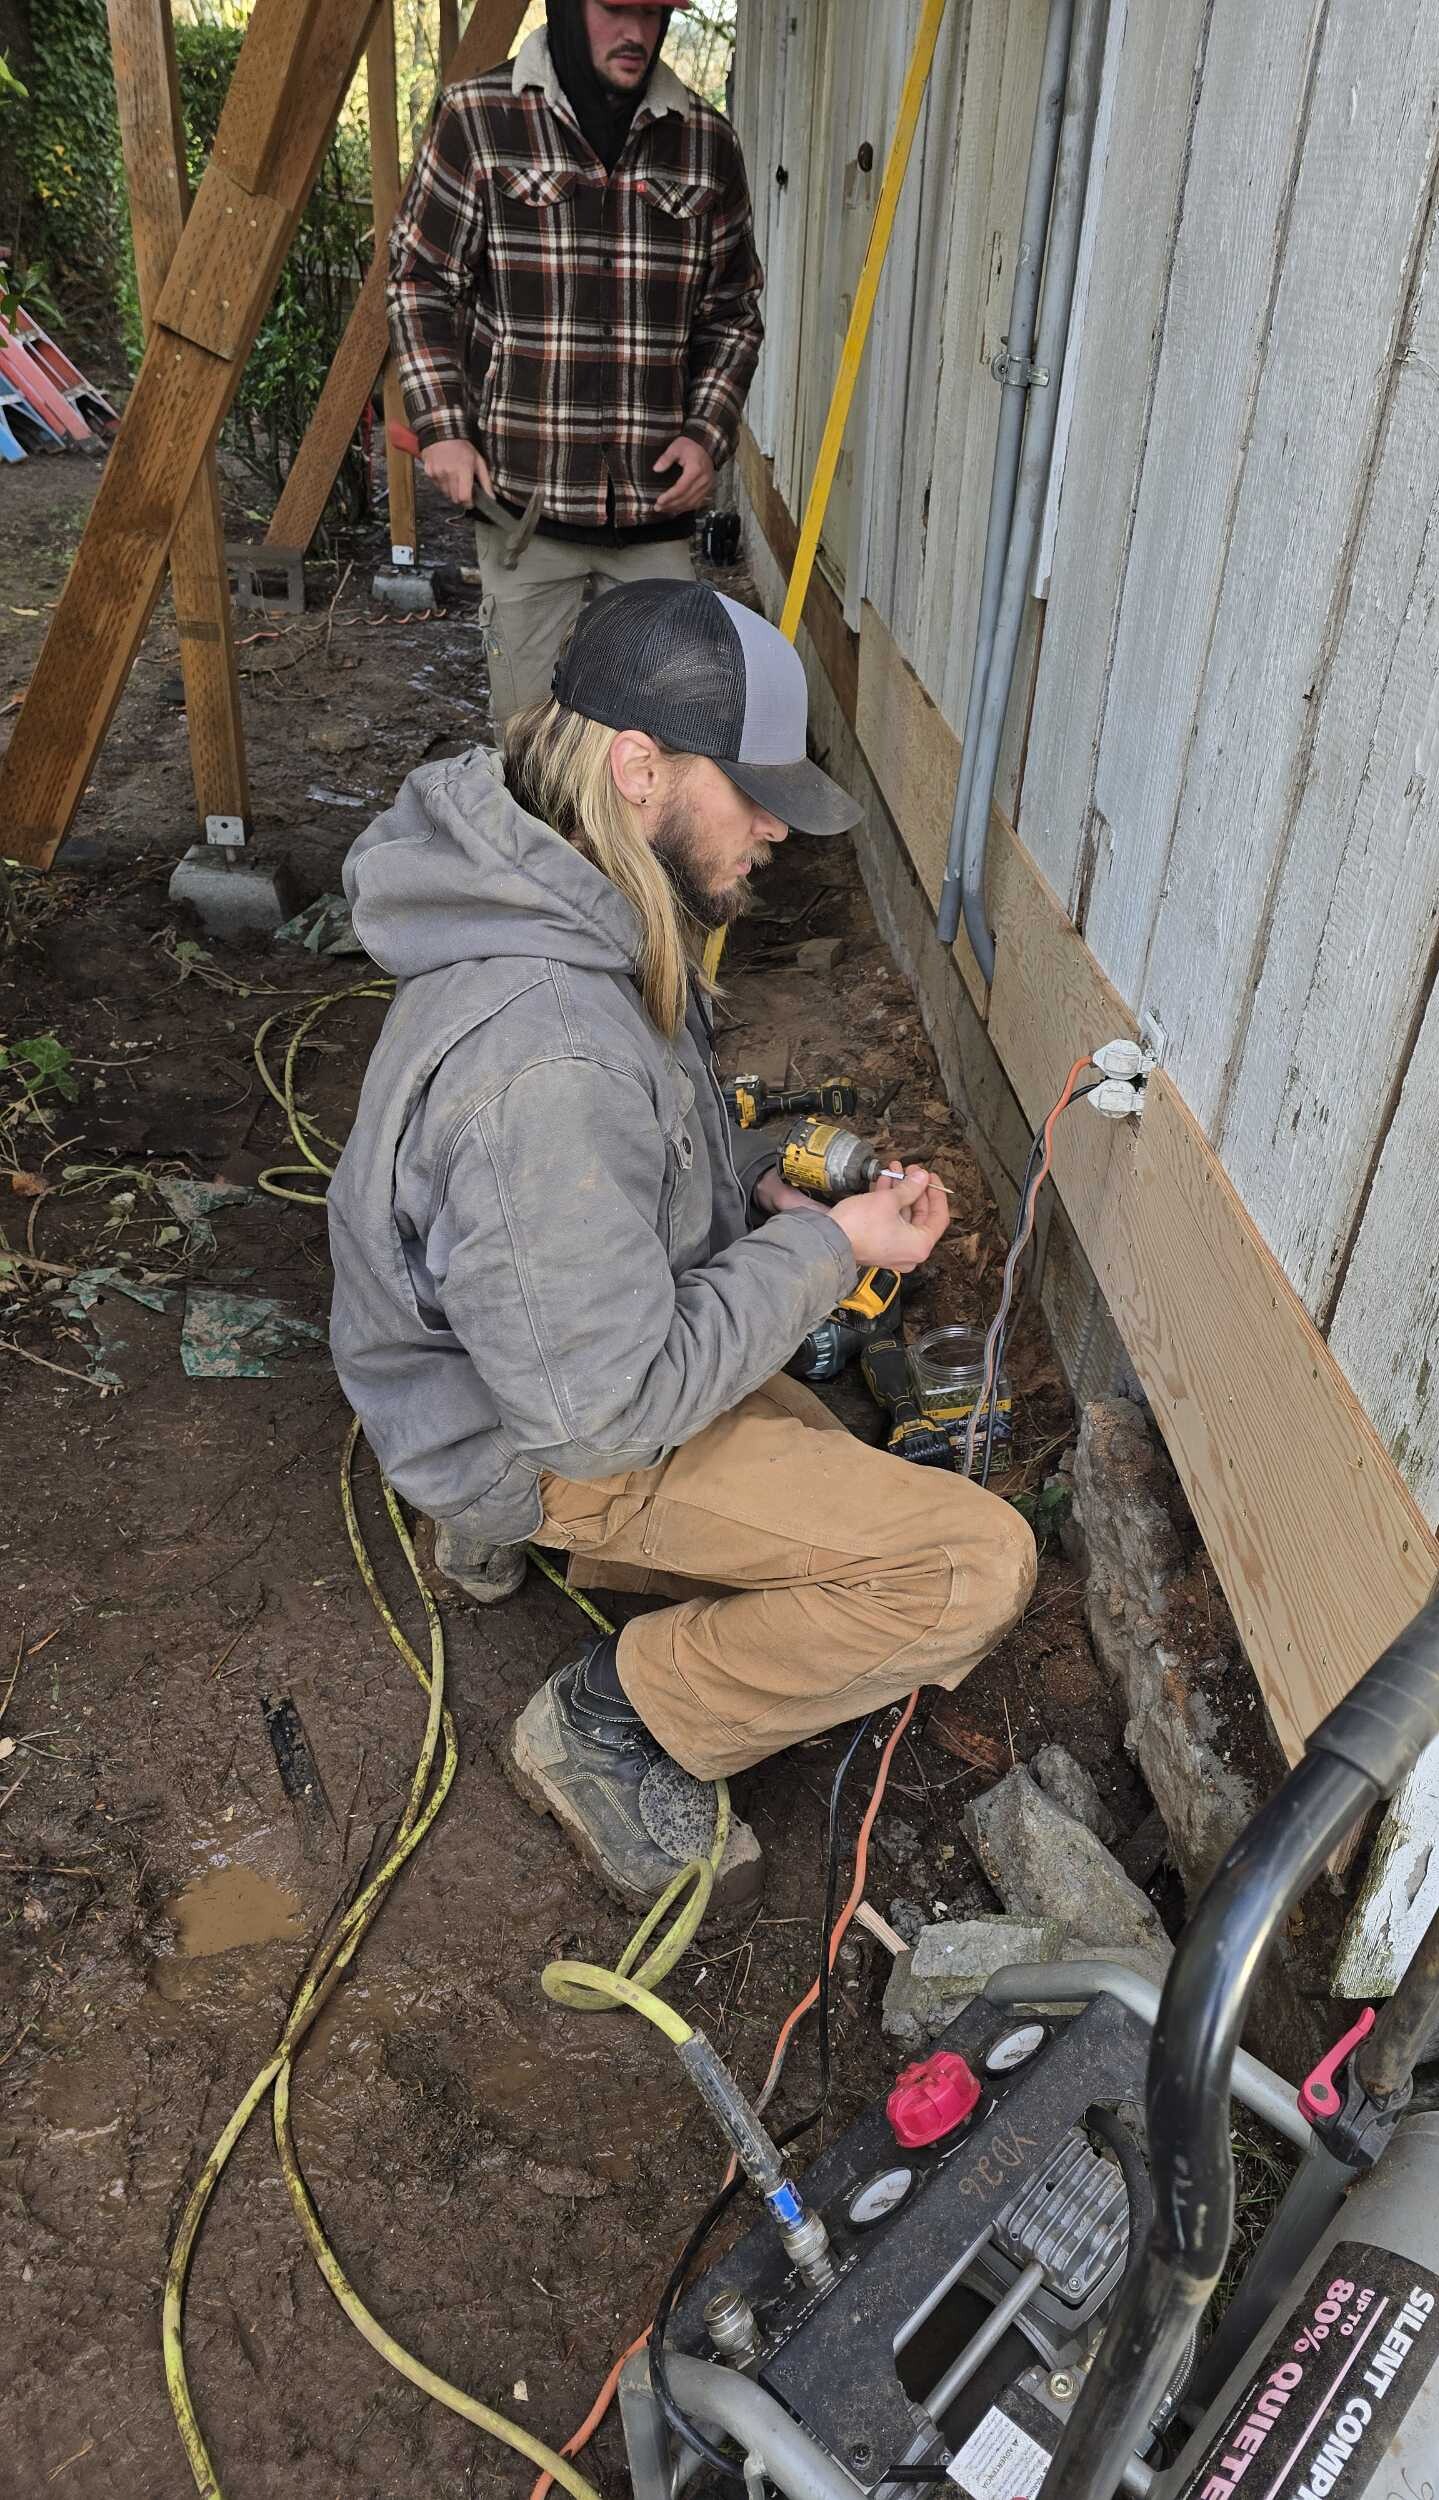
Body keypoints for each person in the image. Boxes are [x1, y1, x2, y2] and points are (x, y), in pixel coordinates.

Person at [326, 580, 1038, 1912]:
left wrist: (765, 1199)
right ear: (637, 767)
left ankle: (522, 1553)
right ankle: (614, 1718)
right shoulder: (548, 1054)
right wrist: (827, 1251)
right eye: (750, 789)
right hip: (540, 1434)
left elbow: (610, 1192)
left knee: (828, 1469)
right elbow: (601, 1418)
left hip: (510, 1367)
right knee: (961, 1562)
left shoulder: (564, 898)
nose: (772, 825)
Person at [387, 0, 763, 725]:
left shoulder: (705, 142)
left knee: (660, 741)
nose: (637, 33)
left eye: (654, 13)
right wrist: (442, 426)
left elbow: (734, 310)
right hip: (523, 508)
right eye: (616, 9)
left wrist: (704, 431)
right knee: (529, 742)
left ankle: (624, 847)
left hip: (655, 515)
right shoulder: (479, 117)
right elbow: (419, 279)